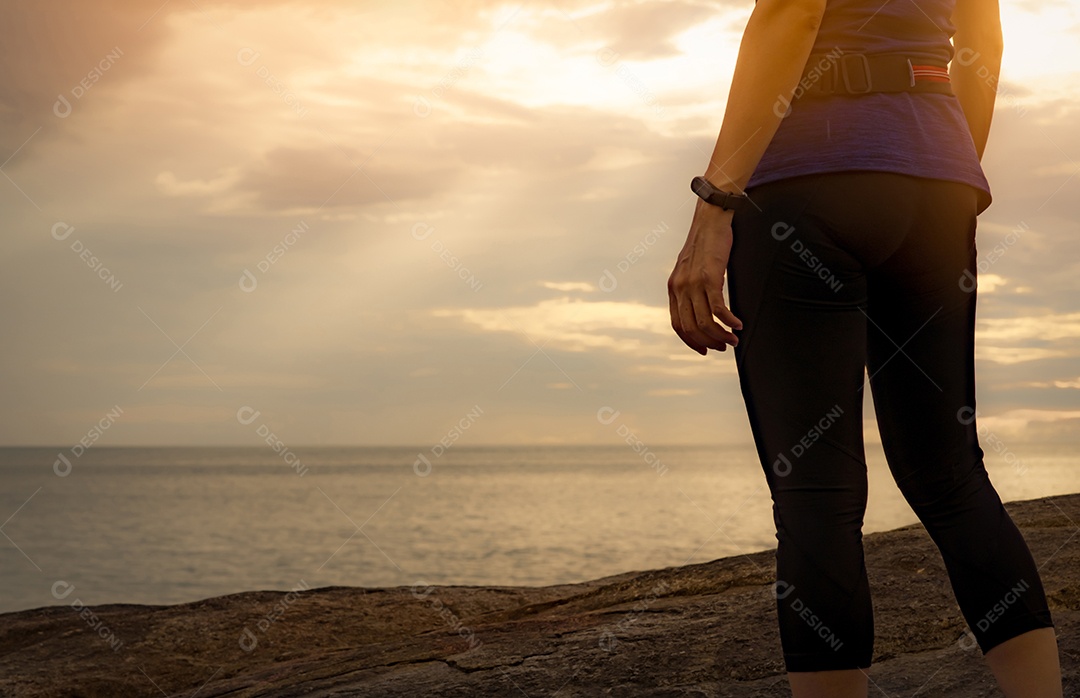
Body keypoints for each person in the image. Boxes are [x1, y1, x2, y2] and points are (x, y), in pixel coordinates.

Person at [665, 0, 1064, 696]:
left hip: (809, 183)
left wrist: (713, 206)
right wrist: (943, 163)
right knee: (951, 476)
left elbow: (789, 16)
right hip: (937, 180)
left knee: (816, 493)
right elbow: (983, 35)